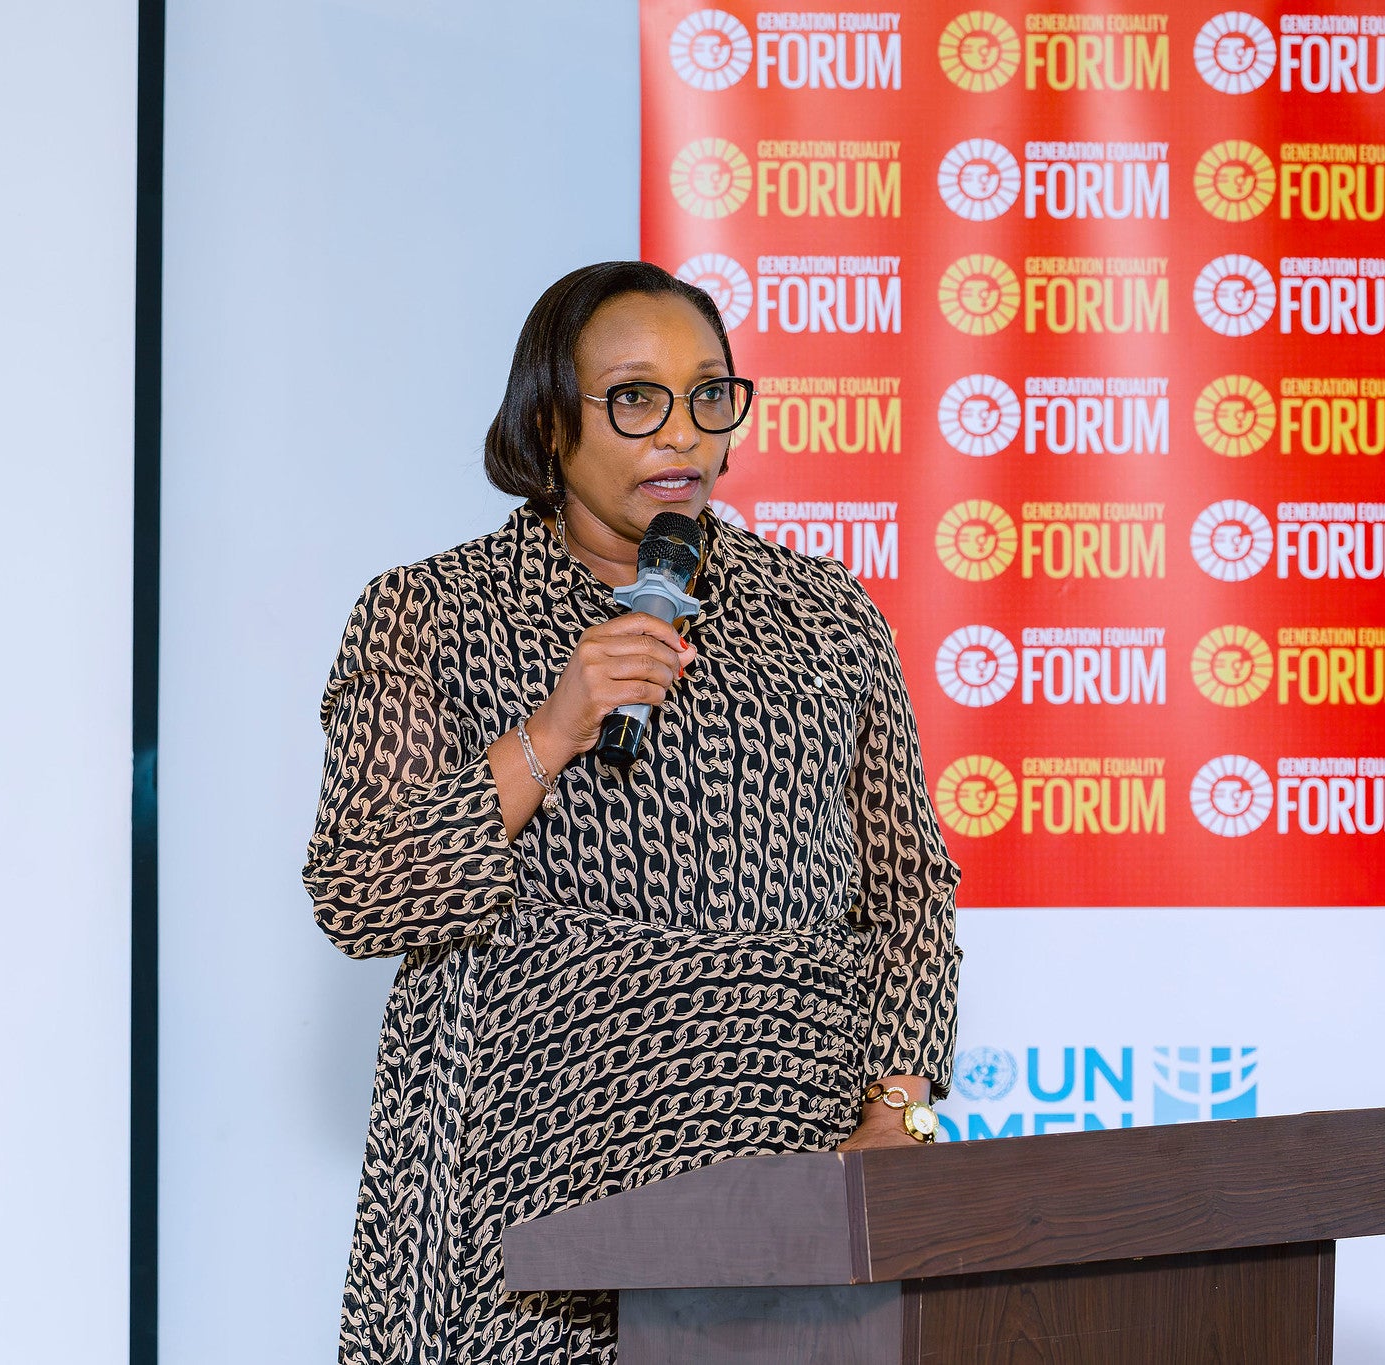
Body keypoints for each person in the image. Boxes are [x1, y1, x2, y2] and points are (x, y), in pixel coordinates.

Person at [302, 260, 961, 1363]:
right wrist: (552, 728)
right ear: (549, 422)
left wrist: (895, 1112)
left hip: (780, 1142)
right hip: (524, 1155)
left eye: (709, 395)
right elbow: (360, 890)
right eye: (634, 397)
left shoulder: (826, 615)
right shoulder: (426, 612)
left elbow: (907, 893)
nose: (680, 433)